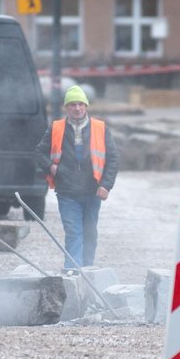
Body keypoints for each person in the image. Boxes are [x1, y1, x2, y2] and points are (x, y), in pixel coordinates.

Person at [35, 85, 119, 269]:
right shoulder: (57, 128)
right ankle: (72, 274)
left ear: (86, 106)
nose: (77, 108)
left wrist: (106, 185)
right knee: (73, 233)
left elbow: (113, 159)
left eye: (80, 104)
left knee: (90, 234)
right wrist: (51, 167)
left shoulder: (100, 128)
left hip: (92, 191)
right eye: (72, 104)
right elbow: (39, 153)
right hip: (67, 192)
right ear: (67, 107)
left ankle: (87, 272)